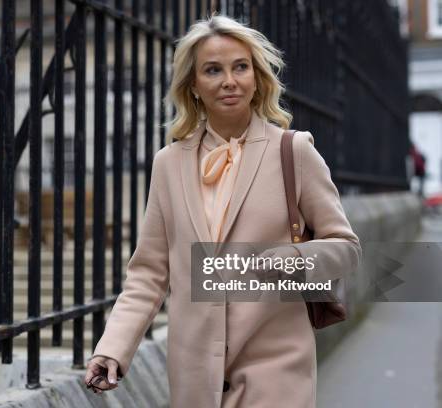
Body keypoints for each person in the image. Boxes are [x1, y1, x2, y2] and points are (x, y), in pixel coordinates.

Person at [83, 14, 361, 408]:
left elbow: (346, 248)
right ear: (193, 85)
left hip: (276, 365)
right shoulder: (169, 163)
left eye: (240, 67)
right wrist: (113, 348)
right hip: (196, 372)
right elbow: (148, 272)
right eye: (213, 70)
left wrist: (290, 259)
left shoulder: (294, 151)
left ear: (257, 77)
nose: (229, 80)